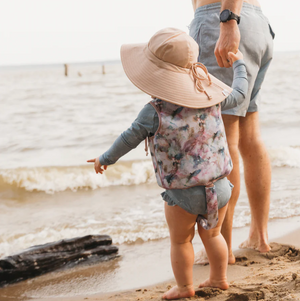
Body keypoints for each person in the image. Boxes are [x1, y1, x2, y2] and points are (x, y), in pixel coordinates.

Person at [87, 28, 248, 300]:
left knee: (181, 240)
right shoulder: (213, 97)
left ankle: (186, 287)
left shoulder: (155, 110)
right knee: (213, 235)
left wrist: (106, 158)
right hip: (220, 187)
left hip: (183, 192)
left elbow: (129, 138)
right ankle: (219, 278)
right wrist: (240, 64)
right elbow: (241, 93)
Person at [190, 0, 274, 264]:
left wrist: (227, 20)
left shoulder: (226, 21)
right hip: (255, 23)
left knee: (223, 138)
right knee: (249, 134)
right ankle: (258, 237)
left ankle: (222, 247)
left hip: (224, 19)